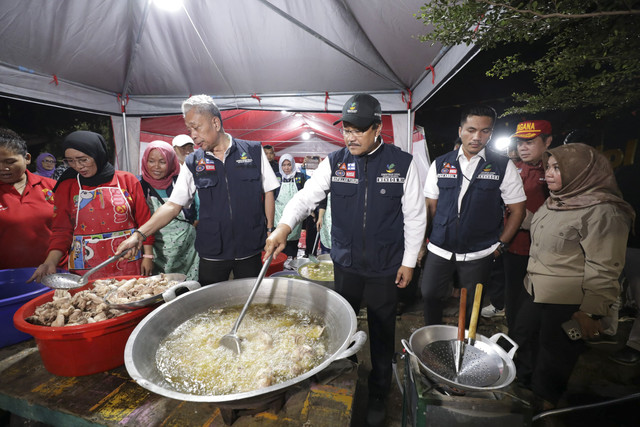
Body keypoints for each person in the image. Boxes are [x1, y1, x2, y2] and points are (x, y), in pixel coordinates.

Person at [264, 93, 425, 427]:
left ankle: (379, 390)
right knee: (340, 325)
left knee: (382, 331)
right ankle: (342, 375)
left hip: (385, 267)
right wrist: (282, 228)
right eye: (347, 129)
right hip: (346, 264)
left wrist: (409, 261)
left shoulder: (403, 164)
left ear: (378, 128)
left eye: (359, 130)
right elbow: (304, 199)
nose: (351, 136)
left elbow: (415, 216)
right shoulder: (336, 162)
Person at [514, 143, 634, 407]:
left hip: (567, 301)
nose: (549, 174)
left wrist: (590, 312)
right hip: (534, 288)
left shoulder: (604, 212)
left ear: (581, 172)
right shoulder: (557, 201)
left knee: (554, 355)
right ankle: (522, 391)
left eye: (558, 168)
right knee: (523, 339)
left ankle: (544, 407)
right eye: (549, 168)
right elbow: (538, 226)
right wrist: (510, 209)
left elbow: (605, 266)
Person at [116, 95, 279, 286]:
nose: (193, 135)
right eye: (189, 129)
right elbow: (172, 206)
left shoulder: (252, 151)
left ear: (215, 123)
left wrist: (270, 230)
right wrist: (139, 235)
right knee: (211, 304)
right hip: (212, 251)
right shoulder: (194, 162)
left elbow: (268, 190)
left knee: (252, 298)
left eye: (196, 127)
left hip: (250, 246)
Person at [421, 105, 526, 325]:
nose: (477, 137)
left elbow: (518, 210)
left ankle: (466, 349)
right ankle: (431, 340)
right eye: (470, 130)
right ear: (460, 131)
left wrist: (501, 245)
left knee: (471, 309)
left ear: (491, 133)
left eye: (485, 131)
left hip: (479, 252)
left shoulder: (502, 166)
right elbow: (430, 207)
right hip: (440, 247)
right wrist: (423, 243)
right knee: (429, 294)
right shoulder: (440, 164)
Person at [30, 131, 154, 282]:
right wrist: (50, 261)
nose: (78, 166)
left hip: (127, 259)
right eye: (71, 161)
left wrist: (148, 255)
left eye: (83, 160)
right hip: (86, 266)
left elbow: (144, 221)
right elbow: (61, 231)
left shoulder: (126, 180)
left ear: (98, 154)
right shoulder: (67, 186)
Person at [498, 120, 551, 333]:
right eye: (520, 142)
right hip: (513, 245)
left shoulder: (555, 169)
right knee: (513, 295)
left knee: (537, 299)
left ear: (548, 141)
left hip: (543, 249)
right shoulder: (513, 167)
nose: (523, 147)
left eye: (530, 142)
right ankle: (515, 341)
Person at [0, 129, 61, 269]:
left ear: (27, 158)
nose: (2, 168)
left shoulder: (53, 187)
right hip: (7, 278)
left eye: (9, 162)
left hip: (53, 272)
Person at [139, 141, 199, 280]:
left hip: (187, 250)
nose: (156, 167)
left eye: (162, 161)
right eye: (151, 161)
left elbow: (198, 211)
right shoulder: (140, 187)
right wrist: (147, 254)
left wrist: (188, 235)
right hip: (156, 250)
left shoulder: (182, 182)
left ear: (171, 162)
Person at [274, 153, 306, 264]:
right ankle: (280, 263)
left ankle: (292, 262)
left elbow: (304, 194)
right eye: (284, 165)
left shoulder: (300, 176)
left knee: (293, 241)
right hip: (279, 214)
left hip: (295, 214)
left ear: (292, 165)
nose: (287, 168)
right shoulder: (276, 176)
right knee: (279, 240)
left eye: (289, 165)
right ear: (280, 166)